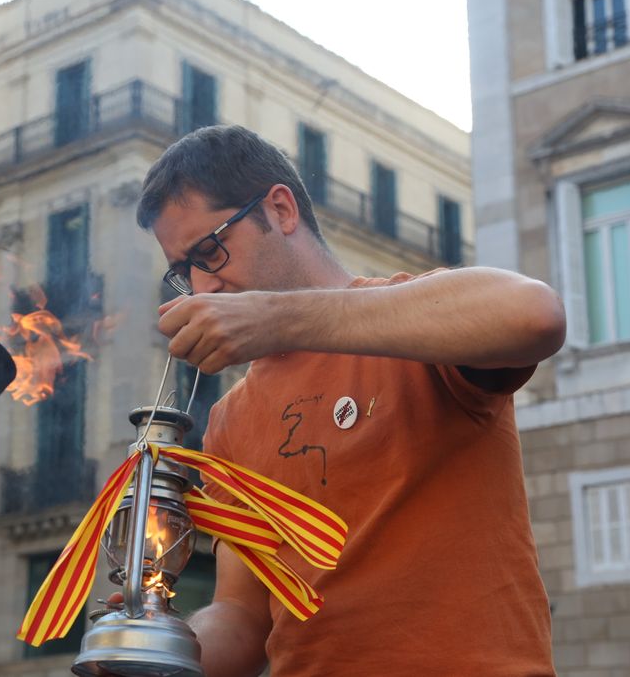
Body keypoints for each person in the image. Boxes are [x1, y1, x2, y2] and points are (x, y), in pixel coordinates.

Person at [135, 124, 565, 677]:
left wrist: (280, 317)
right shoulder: (230, 420)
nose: (201, 286)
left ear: (282, 210)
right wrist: (156, 646)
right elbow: (243, 616)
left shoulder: (411, 324)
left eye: (211, 250)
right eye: (182, 270)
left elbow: (535, 315)